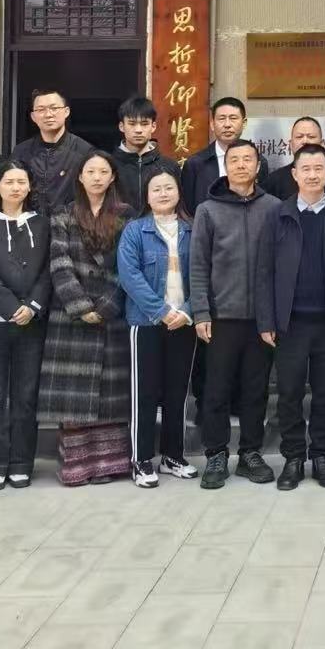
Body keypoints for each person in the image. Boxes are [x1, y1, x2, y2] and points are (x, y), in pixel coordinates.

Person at [258, 143, 325, 490]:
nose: (313, 175)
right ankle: (293, 458)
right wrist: (267, 321)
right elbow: (264, 272)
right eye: (306, 169)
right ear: (294, 174)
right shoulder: (277, 214)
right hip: (290, 324)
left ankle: (322, 456)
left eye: (319, 169)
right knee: (288, 393)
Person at [189, 137, 281, 489]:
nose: (241, 165)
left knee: (256, 389)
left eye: (248, 160)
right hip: (220, 317)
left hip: (262, 319)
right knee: (216, 389)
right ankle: (216, 454)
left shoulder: (274, 207)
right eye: (234, 160)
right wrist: (201, 312)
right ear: (225, 167)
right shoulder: (207, 210)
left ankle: (250, 453)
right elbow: (198, 265)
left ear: (258, 166)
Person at [37, 153, 131, 486]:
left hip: (110, 314)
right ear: (80, 176)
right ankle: (77, 466)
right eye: (90, 171)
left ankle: (107, 464)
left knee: (108, 398)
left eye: (103, 171)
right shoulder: (63, 214)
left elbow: (127, 264)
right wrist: (80, 306)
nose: (97, 177)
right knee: (74, 398)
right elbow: (59, 263)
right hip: (70, 316)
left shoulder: (125, 215)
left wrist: (105, 306)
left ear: (112, 177)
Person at [0, 159, 51, 491]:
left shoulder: (41, 224)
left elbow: (47, 271)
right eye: (9, 182)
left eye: (21, 182)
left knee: (25, 395)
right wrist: (11, 308)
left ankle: (20, 462)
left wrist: (32, 307)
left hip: (31, 322)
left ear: (29, 187)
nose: (16, 188)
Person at [118, 168, 199, 487]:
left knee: (177, 392)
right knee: (145, 393)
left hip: (184, 323)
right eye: (157, 189)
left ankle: (173, 456)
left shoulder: (192, 229)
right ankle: (141, 460)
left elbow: (204, 274)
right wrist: (162, 311)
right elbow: (130, 276)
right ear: (147, 197)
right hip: (146, 322)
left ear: (178, 193)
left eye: (169, 188)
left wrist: (187, 311)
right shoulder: (135, 230)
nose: (163, 194)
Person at [11, 88, 96, 217]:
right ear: (33, 117)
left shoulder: (84, 151)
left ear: (66, 111)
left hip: (71, 224)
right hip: (30, 224)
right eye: (41, 110)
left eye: (54, 108)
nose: (48, 114)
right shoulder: (21, 152)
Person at [181, 96, 270, 215]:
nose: (227, 124)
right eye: (221, 119)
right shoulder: (195, 163)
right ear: (212, 124)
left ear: (244, 123)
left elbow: (263, 203)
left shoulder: (259, 162)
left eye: (233, 118)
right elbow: (187, 210)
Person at [111, 95, 182, 213]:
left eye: (144, 124)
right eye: (132, 124)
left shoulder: (169, 166)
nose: (138, 130)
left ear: (153, 126)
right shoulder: (109, 165)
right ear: (121, 126)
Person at [263, 116, 325, 206]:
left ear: (322, 144)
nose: (305, 141)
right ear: (291, 144)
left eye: (311, 137)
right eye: (299, 137)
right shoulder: (275, 180)